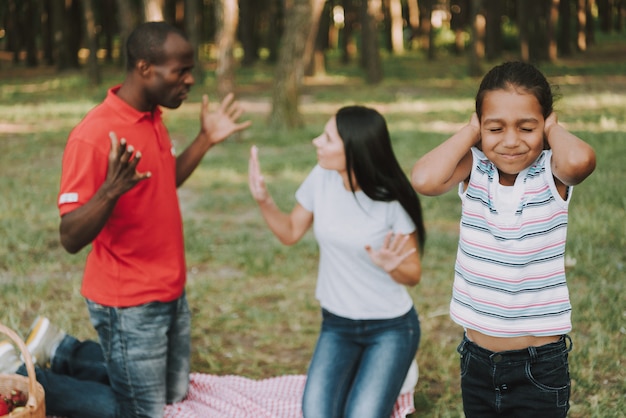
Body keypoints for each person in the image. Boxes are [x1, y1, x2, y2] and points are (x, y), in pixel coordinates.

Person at [54, 21, 251, 418]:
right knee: (140, 412)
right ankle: (30, 377)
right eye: (181, 70)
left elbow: (164, 181)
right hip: (127, 302)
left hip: (170, 289)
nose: (191, 79)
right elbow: (70, 236)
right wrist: (110, 191)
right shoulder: (93, 135)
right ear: (145, 68)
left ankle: (64, 352)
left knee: (176, 394)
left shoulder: (151, 117)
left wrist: (204, 140)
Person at [411, 61, 596, 417]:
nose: (511, 140)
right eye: (495, 127)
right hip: (476, 361)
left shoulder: (550, 172)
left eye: (527, 127)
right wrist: (470, 132)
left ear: (546, 124)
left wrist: (553, 129)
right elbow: (424, 179)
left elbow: (579, 161)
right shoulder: (475, 167)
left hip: (539, 365)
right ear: (480, 126)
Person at [248, 105, 426, 418]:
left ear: (354, 150)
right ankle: (367, 369)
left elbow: (413, 274)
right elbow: (290, 232)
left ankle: (397, 368)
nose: (317, 141)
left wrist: (391, 266)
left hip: (390, 328)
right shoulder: (322, 178)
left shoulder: (390, 202)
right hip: (337, 324)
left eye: (328, 138)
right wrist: (264, 199)